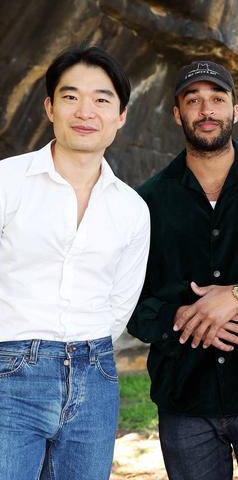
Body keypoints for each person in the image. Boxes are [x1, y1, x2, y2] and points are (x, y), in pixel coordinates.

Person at [127, 60, 238, 480]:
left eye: (217, 99)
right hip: (185, 399)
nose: (206, 110)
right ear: (177, 114)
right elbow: (126, 298)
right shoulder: (145, 202)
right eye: (194, 100)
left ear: (235, 110)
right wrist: (180, 319)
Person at [0, 46, 150, 479]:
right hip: (11, 372)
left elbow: (121, 301)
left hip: (95, 375)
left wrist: (89, 352)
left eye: (102, 99)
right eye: (71, 97)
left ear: (121, 116)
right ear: (50, 107)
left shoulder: (131, 208)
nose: (86, 111)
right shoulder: (9, 183)